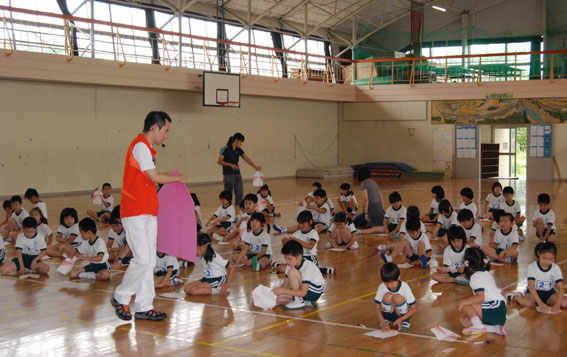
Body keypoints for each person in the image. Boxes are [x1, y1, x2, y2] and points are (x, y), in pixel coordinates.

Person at [111, 111, 186, 322]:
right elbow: (154, 177)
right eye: (166, 130)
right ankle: (121, 296)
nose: (166, 135)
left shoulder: (147, 149)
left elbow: (150, 178)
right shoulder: (140, 145)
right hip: (135, 211)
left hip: (148, 211)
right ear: (155, 128)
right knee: (142, 259)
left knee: (149, 261)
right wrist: (176, 178)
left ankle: (144, 306)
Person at [505, 242, 566, 312]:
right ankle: (515, 296)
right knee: (527, 303)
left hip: (549, 293)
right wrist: (540, 303)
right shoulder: (532, 267)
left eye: (550, 259)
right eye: (544, 258)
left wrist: (557, 305)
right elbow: (531, 286)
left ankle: (545, 301)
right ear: (539, 254)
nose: (547, 261)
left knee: (565, 302)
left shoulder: (556, 268)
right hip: (533, 293)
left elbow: (560, 287)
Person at [458, 247, 506, 336]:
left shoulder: (475, 277)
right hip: (500, 310)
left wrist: (464, 302)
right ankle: (493, 328)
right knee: (464, 321)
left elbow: (481, 297)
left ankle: (478, 326)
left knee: (465, 305)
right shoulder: (486, 273)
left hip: (494, 308)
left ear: (467, 263)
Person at [272, 240, 325, 309]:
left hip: (314, 291)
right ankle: (305, 302)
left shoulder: (307, 266)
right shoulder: (290, 265)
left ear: (299, 257)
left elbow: (303, 293)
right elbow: (285, 285)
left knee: (292, 272)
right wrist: (273, 293)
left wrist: (284, 291)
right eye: (285, 258)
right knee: (279, 299)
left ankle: (299, 301)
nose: (287, 262)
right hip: (304, 289)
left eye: (289, 259)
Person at [218, 133, 262, 214]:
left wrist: (255, 167)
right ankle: (228, 214)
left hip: (237, 175)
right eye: (241, 142)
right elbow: (220, 161)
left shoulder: (239, 150)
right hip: (228, 175)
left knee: (239, 194)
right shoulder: (225, 149)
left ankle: (237, 215)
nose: (241, 144)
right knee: (228, 196)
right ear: (236, 140)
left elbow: (246, 158)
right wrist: (230, 164)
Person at [374, 262, 417, 331]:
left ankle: (405, 321)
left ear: (398, 277)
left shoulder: (404, 287)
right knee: (388, 295)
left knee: (397, 297)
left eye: (391, 282)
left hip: (402, 314)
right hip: (389, 312)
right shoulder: (381, 287)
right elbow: (377, 307)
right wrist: (383, 323)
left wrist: (400, 319)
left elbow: (413, 309)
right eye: (386, 282)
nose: (389, 285)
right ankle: (386, 319)